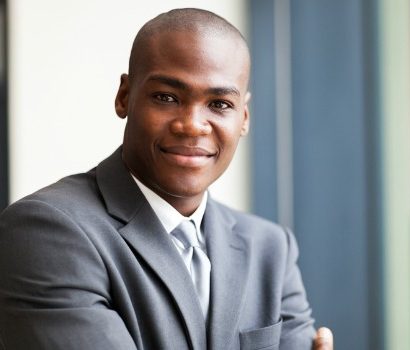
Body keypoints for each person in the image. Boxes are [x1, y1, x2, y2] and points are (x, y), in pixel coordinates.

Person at [0, 8, 333, 350]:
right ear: (125, 96)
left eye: (219, 104)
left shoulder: (271, 249)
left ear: (244, 117)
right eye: (166, 97)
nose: (191, 124)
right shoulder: (45, 231)